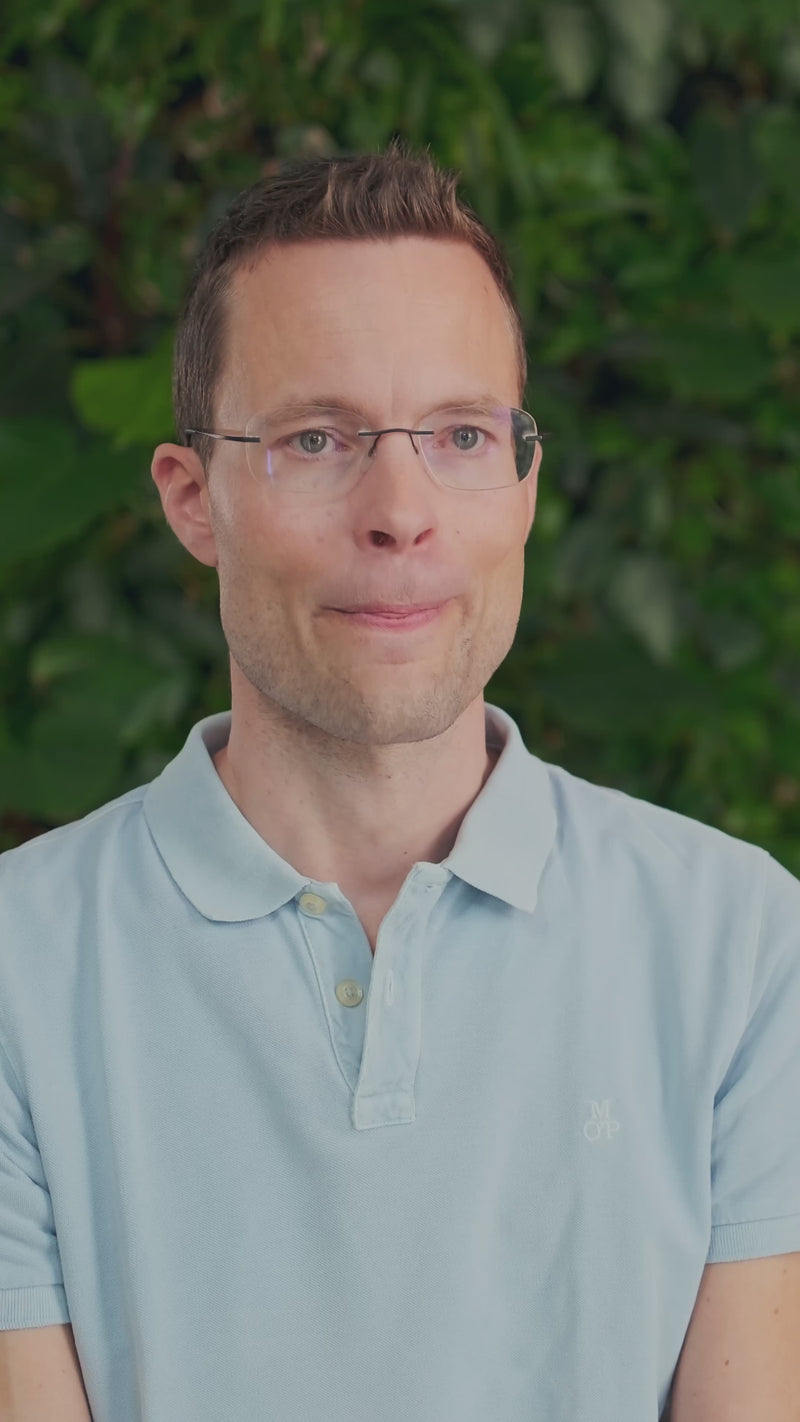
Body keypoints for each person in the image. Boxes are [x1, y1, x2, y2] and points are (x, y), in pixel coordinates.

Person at [0, 144, 798, 1422]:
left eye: (460, 434)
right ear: (192, 500)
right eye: (318, 438)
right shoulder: (17, 974)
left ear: (524, 486)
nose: (400, 511)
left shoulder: (742, 948)